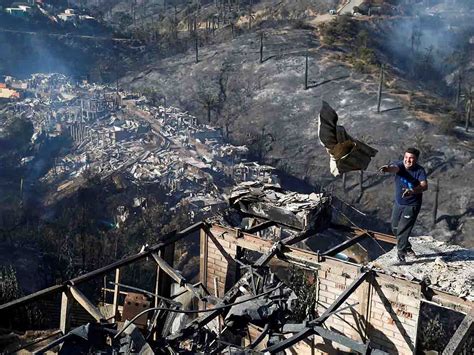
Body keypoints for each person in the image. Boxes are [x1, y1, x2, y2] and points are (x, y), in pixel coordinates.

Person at [379, 148, 428, 264]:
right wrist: (387, 169)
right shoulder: (400, 165)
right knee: (395, 228)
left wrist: (413, 191)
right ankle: (407, 247)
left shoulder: (420, 171)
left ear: (416, 160)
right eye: (406, 157)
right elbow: (394, 168)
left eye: (411, 158)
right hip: (399, 203)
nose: (408, 160)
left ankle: (401, 254)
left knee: (403, 230)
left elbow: (424, 186)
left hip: (412, 205)